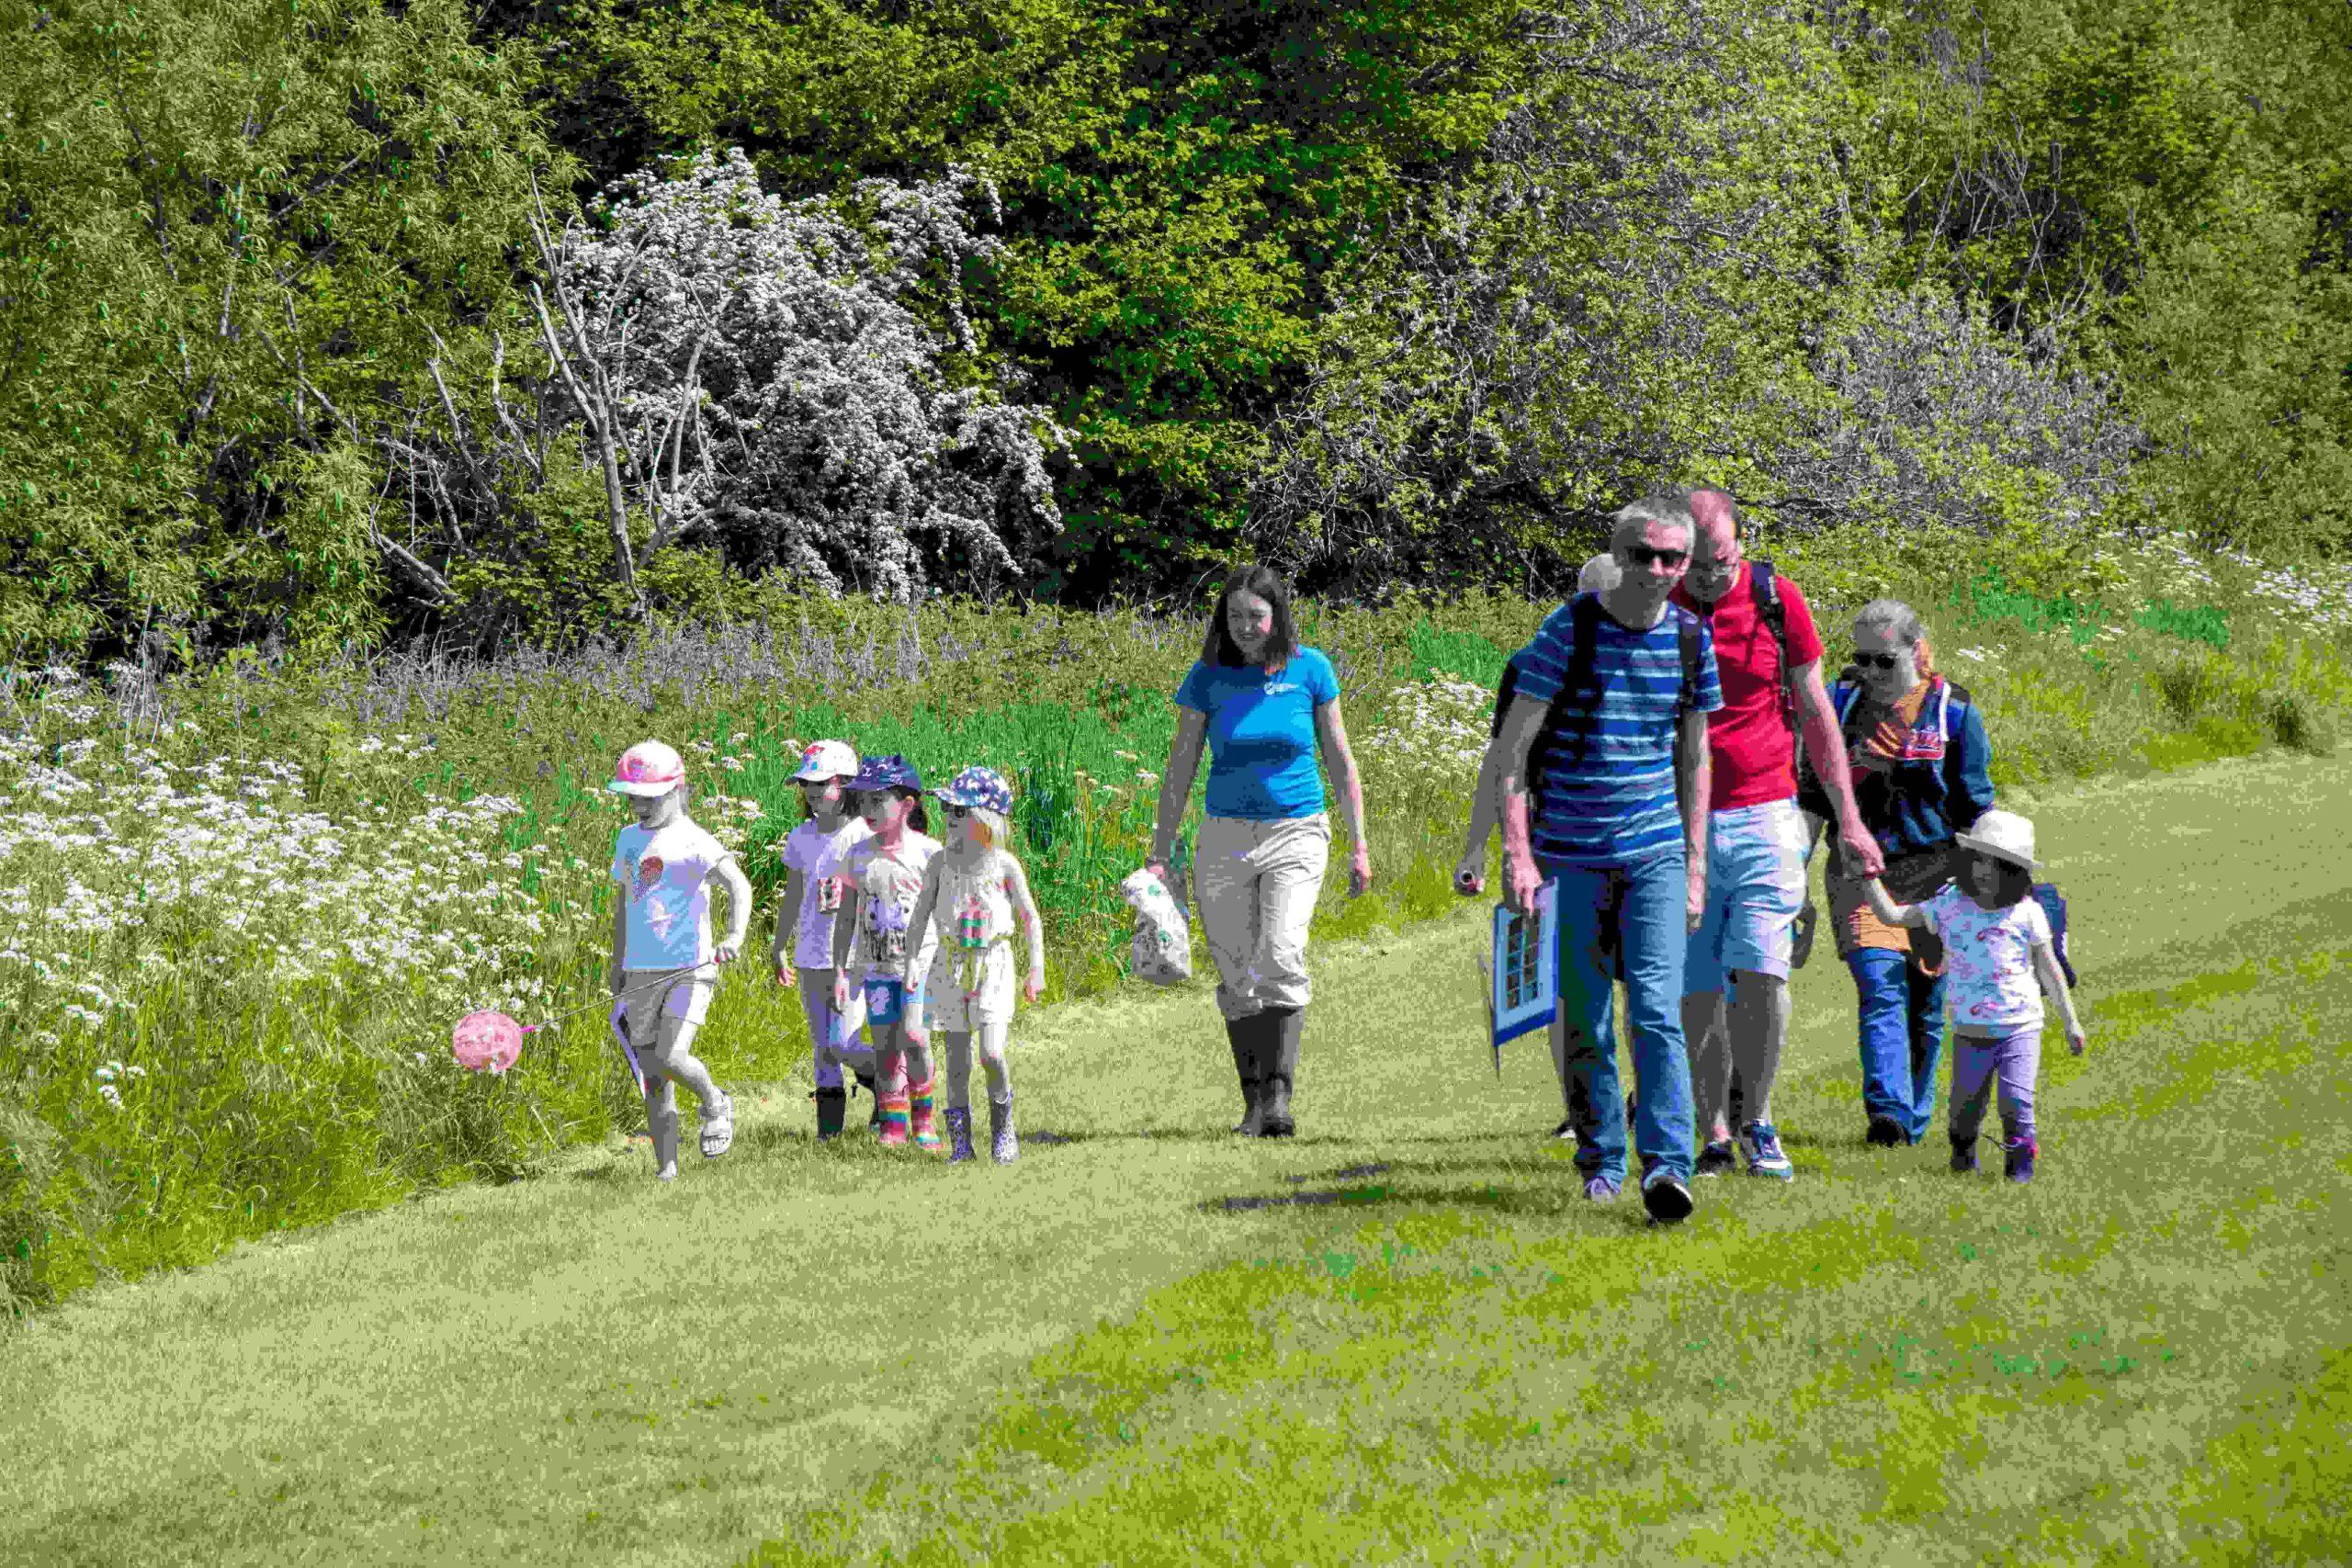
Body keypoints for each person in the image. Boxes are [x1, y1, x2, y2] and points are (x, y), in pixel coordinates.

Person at [1488, 496, 1723, 1224]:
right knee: (1585, 1019)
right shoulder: (1568, 631)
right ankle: (1602, 1158)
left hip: (1653, 853)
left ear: (1687, 562)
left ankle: (1667, 1168)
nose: (1657, 570)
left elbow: (1695, 756)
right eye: (1642, 555)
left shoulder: (1690, 639)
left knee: (1656, 1012)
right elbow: (1512, 753)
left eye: (1672, 558)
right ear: (1617, 556)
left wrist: (1693, 864)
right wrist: (1518, 856)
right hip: (1569, 858)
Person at [1669, 489, 1883, 1182]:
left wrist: (1847, 815)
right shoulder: (1654, 603)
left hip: (1768, 809)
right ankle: (1713, 1131)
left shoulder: (1775, 597)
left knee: (1762, 974)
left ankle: (1759, 1118)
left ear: (1742, 543)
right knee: (1698, 982)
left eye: (1719, 561)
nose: (1706, 575)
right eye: (1694, 563)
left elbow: (1819, 711)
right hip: (1678, 821)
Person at [1146, 564, 1374, 1139]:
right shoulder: (1208, 678)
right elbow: (1180, 767)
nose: (1247, 627)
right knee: (1235, 968)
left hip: (1297, 831)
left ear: (1277, 617)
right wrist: (1160, 849)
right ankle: (1252, 1103)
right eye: (1236, 617)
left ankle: (1279, 1100)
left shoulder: (1311, 670)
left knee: (1283, 951)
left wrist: (1358, 844)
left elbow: (1341, 761)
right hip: (1224, 835)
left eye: (1257, 616)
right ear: (1223, 620)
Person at [1797, 599, 1996, 1147]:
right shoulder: (1836, 707)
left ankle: (1913, 1117)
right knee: (1880, 985)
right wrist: (1795, 876)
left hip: (1938, 872)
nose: (1870, 673)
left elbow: (1976, 805)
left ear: (1915, 650)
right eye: (1860, 659)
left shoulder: (1953, 712)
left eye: (1883, 661)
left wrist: (1994, 879)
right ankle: (1887, 1114)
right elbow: (1812, 796)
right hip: (1861, 873)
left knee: (1927, 1004)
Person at [1455, 550, 1624, 1140]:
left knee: (1641, 984)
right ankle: (1583, 1110)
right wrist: (1480, 846)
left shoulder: (1653, 651)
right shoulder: (1531, 663)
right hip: (1549, 842)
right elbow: (1500, 760)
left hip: (1632, 844)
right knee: (1557, 981)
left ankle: (1634, 1099)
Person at [1861, 808, 2085, 1182]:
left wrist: (2071, 1021)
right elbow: (1893, 917)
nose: (1983, 869)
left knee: (2016, 1104)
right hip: (1970, 1031)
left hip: (2020, 1027)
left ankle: (2020, 1169)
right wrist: (1867, 877)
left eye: (1995, 862)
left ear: (2013, 872)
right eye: (1977, 858)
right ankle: (1963, 1159)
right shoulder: (1948, 906)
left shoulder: (2026, 913)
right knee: (1964, 1113)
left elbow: (2050, 970)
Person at [606, 739, 753, 1180]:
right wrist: (618, 963)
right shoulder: (628, 839)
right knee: (654, 1078)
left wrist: (735, 935)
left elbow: (739, 887)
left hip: (690, 969)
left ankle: (714, 1100)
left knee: (672, 1055)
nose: (639, 805)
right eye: (633, 797)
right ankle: (667, 1170)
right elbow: (624, 904)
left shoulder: (694, 839)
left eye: (649, 798)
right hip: (639, 971)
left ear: (676, 791)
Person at [907, 766, 1046, 1163]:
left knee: (991, 1053)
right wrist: (914, 962)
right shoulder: (939, 863)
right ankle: (961, 1143)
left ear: (986, 819)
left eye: (959, 811)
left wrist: (1036, 968)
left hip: (993, 965)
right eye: (947, 809)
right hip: (949, 964)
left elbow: (1030, 918)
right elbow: (920, 918)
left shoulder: (1004, 865)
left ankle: (1003, 1126)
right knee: (956, 1061)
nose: (949, 818)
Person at [833, 754, 944, 1148]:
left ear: (907, 805)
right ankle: (893, 1126)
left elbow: (943, 910)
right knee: (884, 1047)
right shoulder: (858, 855)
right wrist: (841, 972)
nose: (868, 809)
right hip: (877, 968)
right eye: (863, 800)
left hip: (920, 964)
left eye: (878, 800)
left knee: (914, 1037)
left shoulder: (929, 854)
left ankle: (925, 1119)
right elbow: (846, 918)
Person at [771, 739, 875, 1139]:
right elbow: (793, 895)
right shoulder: (800, 837)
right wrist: (779, 945)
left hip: (851, 954)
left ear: (846, 784)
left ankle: (890, 1082)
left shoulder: (862, 834)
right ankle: (828, 1135)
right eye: (806, 785)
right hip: (810, 953)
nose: (812, 792)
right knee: (823, 1048)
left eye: (821, 783)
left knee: (842, 1042)